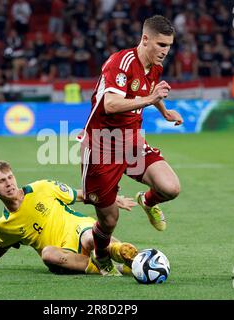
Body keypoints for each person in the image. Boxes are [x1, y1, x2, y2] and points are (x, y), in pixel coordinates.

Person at [78, 15, 183, 275]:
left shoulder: (155, 66)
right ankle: (102, 256)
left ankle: (147, 202)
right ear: (144, 38)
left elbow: (150, 91)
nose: (165, 51)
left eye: (168, 45)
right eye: (160, 44)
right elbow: (110, 105)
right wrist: (150, 99)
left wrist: (165, 111)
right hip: (101, 146)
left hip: (132, 142)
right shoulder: (120, 63)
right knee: (109, 220)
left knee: (170, 188)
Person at [0, 161, 138, 276]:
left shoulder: (42, 187)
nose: (9, 183)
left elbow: (79, 195)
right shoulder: (6, 225)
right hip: (64, 255)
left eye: (10, 177)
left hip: (79, 229)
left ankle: (122, 252)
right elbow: (0, 246)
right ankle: (111, 269)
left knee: (90, 238)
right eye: (1, 181)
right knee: (47, 254)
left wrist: (112, 198)